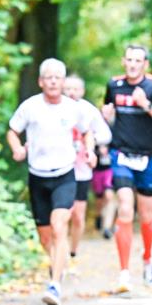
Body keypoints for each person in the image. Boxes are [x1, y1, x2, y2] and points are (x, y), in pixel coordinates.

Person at [7, 58, 94, 305]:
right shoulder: (30, 107)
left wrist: (90, 151)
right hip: (38, 176)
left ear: (63, 82)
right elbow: (13, 130)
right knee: (46, 238)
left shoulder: (72, 108)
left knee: (59, 226)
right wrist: (17, 149)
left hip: (65, 175)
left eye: (58, 77)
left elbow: (87, 131)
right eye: (49, 77)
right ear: (41, 81)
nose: (53, 81)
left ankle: (54, 284)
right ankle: (59, 263)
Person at [101, 44, 152, 292]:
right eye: (129, 60)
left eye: (138, 61)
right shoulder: (113, 85)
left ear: (145, 64)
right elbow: (108, 116)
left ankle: (147, 258)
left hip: (148, 158)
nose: (133, 64)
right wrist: (105, 116)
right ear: (123, 61)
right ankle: (123, 274)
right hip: (121, 154)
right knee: (125, 208)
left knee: (146, 214)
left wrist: (146, 105)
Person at [62, 75, 111, 262]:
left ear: (82, 91)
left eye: (75, 89)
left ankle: (73, 251)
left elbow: (105, 134)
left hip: (81, 169)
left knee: (77, 214)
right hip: (59, 167)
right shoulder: (55, 108)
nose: (71, 92)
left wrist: (88, 143)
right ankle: (60, 250)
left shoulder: (88, 110)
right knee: (61, 213)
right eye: (67, 89)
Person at [93, 143, 117, 239]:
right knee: (99, 201)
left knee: (109, 196)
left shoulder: (112, 137)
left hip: (109, 172)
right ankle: (99, 217)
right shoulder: (93, 136)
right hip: (97, 173)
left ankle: (107, 227)